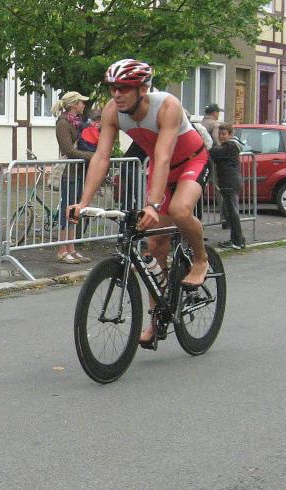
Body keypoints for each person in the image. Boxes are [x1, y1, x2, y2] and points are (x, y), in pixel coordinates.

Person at [68, 59, 210, 347]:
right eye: (113, 88)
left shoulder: (167, 106)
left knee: (179, 210)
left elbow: (165, 156)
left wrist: (153, 205)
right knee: (156, 246)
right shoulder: (112, 111)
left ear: (143, 89)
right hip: (159, 168)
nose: (117, 94)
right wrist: (83, 202)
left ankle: (201, 259)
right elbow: (102, 158)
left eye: (124, 88)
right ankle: (157, 317)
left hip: (191, 161)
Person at [53, 91, 94, 264]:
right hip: (68, 172)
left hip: (78, 171)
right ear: (73, 104)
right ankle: (62, 249)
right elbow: (68, 150)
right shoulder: (63, 123)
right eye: (81, 102)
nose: (84, 105)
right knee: (67, 209)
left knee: (75, 210)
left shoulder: (78, 122)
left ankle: (71, 248)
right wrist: (93, 156)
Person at [210, 123, 246, 250]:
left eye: (224, 134)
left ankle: (237, 241)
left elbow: (214, 152)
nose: (221, 136)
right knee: (228, 212)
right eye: (220, 134)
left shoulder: (230, 146)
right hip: (230, 182)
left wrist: (207, 143)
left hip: (229, 182)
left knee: (231, 213)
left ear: (231, 134)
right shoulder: (231, 146)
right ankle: (239, 239)